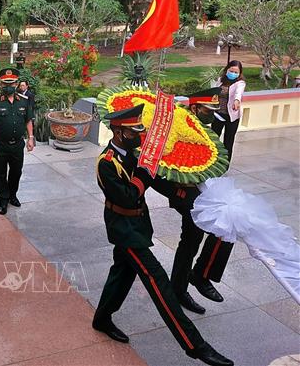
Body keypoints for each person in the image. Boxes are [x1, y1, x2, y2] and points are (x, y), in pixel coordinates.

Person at [92, 104, 233, 366]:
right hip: (124, 230)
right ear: (120, 132)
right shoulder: (107, 163)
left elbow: (159, 182)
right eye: (135, 130)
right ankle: (197, 346)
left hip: (138, 227)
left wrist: (192, 198)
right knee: (158, 284)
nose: (140, 134)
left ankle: (101, 318)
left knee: (121, 274)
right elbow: (129, 197)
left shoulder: (132, 155)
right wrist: (144, 175)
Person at [151, 88, 234, 314]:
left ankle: (190, 281)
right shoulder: (175, 127)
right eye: (209, 110)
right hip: (185, 195)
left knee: (219, 228)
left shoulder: (203, 130)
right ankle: (196, 278)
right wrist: (177, 193)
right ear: (195, 108)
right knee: (205, 233)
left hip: (204, 191)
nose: (212, 114)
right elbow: (156, 171)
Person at [0, 68, 34, 215]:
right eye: (5, 83)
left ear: (17, 83)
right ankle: (3, 199)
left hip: (17, 144)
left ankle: (12, 195)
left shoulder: (23, 101)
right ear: (1, 84)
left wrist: (30, 138)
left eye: (11, 83)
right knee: (0, 173)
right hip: (0, 145)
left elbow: (28, 120)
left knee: (16, 172)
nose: (8, 86)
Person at [211, 60, 245, 161]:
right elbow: (214, 92)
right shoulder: (220, 80)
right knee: (213, 140)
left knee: (228, 141)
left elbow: (238, 93)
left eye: (236, 72)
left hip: (232, 116)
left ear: (239, 73)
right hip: (218, 114)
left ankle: (225, 163)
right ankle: (213, 161)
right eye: (231, 71)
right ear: (227, 70)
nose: (233, 73)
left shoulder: (240, 83)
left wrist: (237, 100)